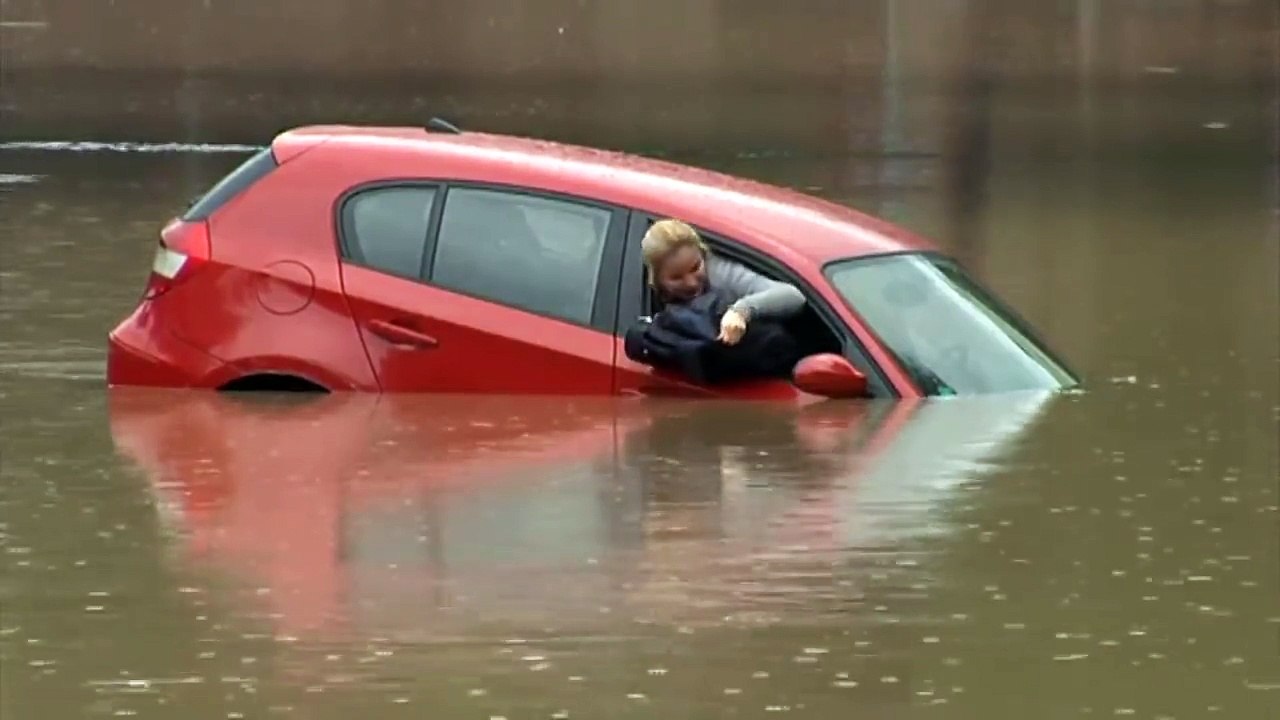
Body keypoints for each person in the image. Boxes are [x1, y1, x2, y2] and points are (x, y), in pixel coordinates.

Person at [640, 218, 806, 346]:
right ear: (656, 278)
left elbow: (793, 296)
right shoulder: (641, 290)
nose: (691, 283)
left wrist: (741, 311)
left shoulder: (721, 274)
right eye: (676, 277)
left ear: (703, 253)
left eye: (695, 267)